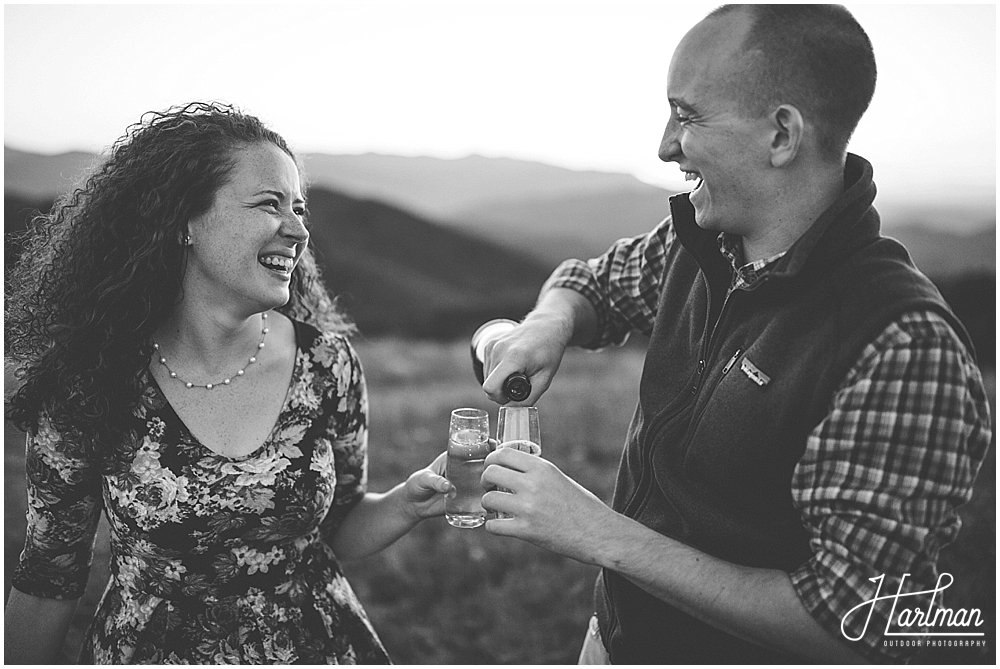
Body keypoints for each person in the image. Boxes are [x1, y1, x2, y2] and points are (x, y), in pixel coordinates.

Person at [476, 5, 992, 664]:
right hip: (612, 643)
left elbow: (854, 628)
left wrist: (602, 535)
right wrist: (547, 324)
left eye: (687, 115)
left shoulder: (903, 346)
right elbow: (591, 284)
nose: (666, 145)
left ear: (781, 135)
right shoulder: (702, 244)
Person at [4, 102, 454, 664]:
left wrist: (408, 503)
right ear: (183, 221)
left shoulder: (326, 365)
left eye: (299, 208)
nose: (298, 229)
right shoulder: (87, 385)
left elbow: (336, 526)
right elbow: (48, 583)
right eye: (270, 204)